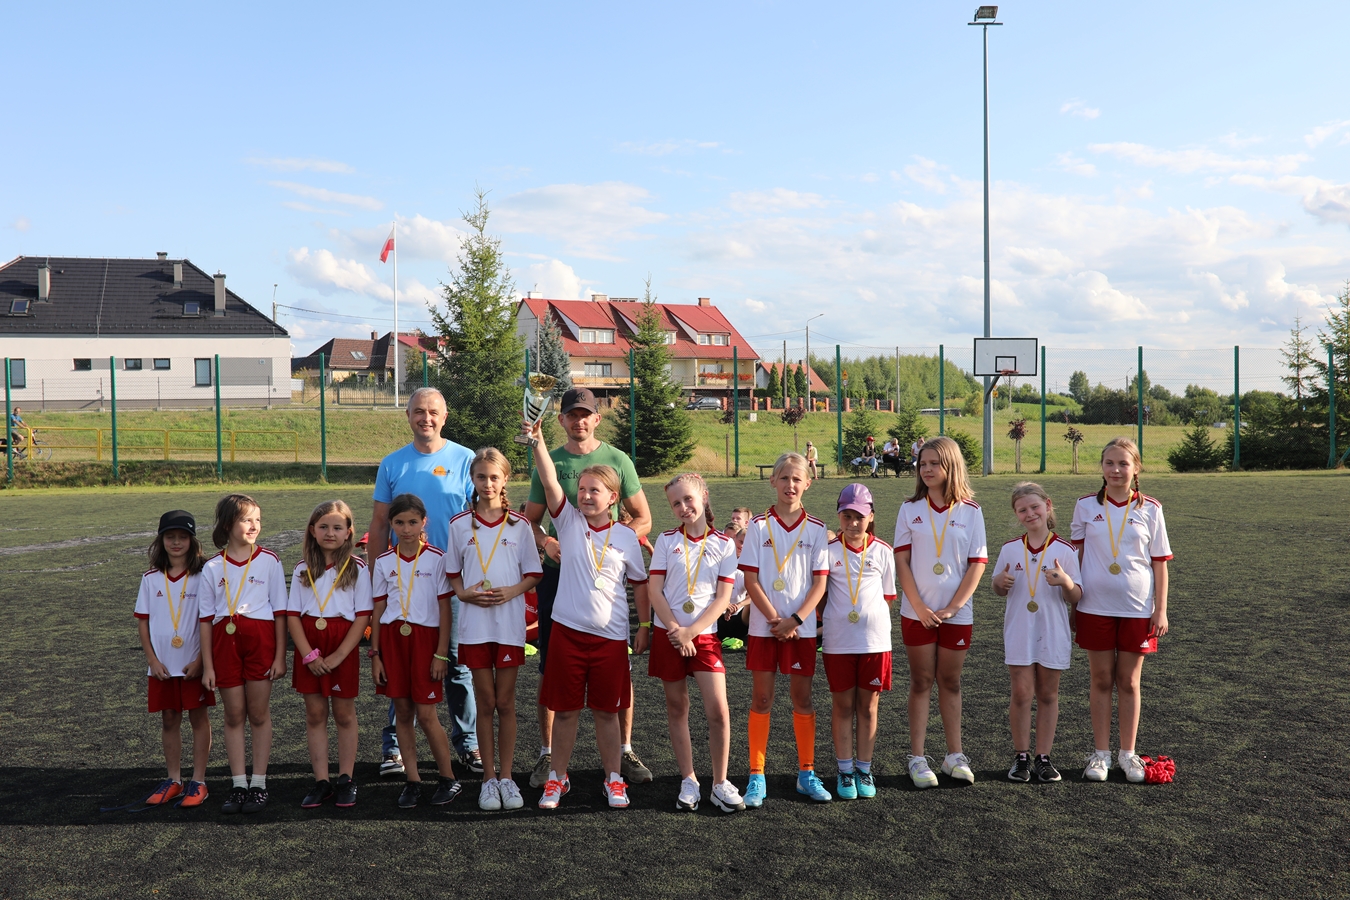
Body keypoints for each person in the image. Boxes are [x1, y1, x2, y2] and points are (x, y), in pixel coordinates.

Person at [523, 387, 654, 790]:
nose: (579, 420)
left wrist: (613, 542)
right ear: (561, 419)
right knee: (552, 670)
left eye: (586, 414)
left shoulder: (618, 460)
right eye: (571, 414)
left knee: (614, 681)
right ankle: (548, 756)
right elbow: (533, 516)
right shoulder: (556, 475)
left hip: (606, 585)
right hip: (560, 580)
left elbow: (643, 519)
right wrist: (548, 542)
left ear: (596, 418)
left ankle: (623, 753)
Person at [367, 388, 479, 778]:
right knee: (399, 662)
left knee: (457, 665)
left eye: (433, 411)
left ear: (445, 417)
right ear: (408, 416)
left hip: (453, 582)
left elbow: (480, 517)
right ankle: (394, 748)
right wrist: (375, 579)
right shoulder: (392, 463)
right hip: (404, 582)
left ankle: (467, 743)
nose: (425, 418)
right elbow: (379, 523)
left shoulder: (465, 459)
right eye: (418, 411)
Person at [446, 448, 543, 811]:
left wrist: (513, 591)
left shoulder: (519, 525)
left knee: (506, 702)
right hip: (474, 626)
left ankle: (507, 777)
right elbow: (453, 573)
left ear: (505, 480)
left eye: (494, 477)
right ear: (472, 480)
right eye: (481, 477)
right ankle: (488, 779)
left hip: (508, 626)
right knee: (485, 702)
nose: (487, 484)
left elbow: (534, 573)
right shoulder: (459, 525)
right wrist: (463, 594)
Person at [1071, 438, 1172, 784]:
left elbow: (1159, 564)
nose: (1115, 470)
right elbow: (1076, 557)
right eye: (1109, 463)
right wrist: (1074, 604)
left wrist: (1161, 609)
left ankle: (1127, 755)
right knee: (1100, 679)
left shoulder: (1151, 508)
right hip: (1094, 606)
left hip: (1137, 609)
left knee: (1128, 681)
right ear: (1102, 467)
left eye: (1123, 463)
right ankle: (1100, 754)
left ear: (1136, 468)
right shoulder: (1085, 506)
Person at [738, 451, 832, 807]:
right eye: (784, 478)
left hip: (800, 630)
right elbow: (750, 579)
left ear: (808, 483)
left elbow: (820, 584)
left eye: (797, 479)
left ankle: (806, 773)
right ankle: (756, 775)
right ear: (772, 481)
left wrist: (796, 620)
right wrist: (776, 619)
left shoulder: (817, 529)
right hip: (764, 628)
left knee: (802, 699)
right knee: (762, 699)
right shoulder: (758, 526)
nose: (790, 484)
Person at [647, 473, 745, 813]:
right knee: (677, 708)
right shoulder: (665, 540)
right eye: (676, 503)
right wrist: (676, 630)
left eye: (688, 498)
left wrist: (691, 632)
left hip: (703, 636)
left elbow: (723, 598)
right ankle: (689, 780)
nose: (683, 507)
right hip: (669, 635)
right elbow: (654, 591)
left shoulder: (724, 544)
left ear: (703, 495)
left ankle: (720, 783)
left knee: (718, 710)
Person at [893, 436, 987, 789]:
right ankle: (917, 758)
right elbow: (901, 561)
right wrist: (919, 607)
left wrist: (953, 607)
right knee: (921, 681)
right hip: (917, 612)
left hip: (956, 614)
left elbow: (977, 563)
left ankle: (954, 756)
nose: (927, 469)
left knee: (950, 681)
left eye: (935, 463)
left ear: (951, 466)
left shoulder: (971, 511)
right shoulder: (909, 509)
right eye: (923, 464)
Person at [371, 494, 462, 808]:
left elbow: (445, 610)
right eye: (399, 523)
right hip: (393, 641)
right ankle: (412, 780)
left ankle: (448, 778)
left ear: (424, 522)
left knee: (426, 714)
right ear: (391, 524)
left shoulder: (437, 558)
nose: (406, 529)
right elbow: (378, 609)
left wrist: (441, 653)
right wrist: (375, 654)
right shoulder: (384, 561)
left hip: (426, 641)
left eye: (412, 522)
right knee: (403, 712)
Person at [199, 493, 287, 814]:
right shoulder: (212, 567)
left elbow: (280, 612)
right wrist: (208, 666)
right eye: (246, 519)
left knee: (259, 714)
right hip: (224, 645)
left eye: (257, 519)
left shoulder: (270, 561)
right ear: (227, 524)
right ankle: (238, 784)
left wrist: (280, 656)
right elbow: (205, 620)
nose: (254, 526)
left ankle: (259, 783)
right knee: (234, 714)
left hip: (260, 642)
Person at [991, 483, 1081, 783]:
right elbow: (997, 586)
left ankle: (1043, 757)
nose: (1030, 514)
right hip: (1020, 629)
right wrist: (998, 583)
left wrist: (1066, 582)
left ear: (1048, 506)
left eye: (1034, 507)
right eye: (1022, 510)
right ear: (1016, 514)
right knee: (1021, 693)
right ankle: (1021, 757)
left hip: (1052, 631)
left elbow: (1076, 596)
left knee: (1048, 694)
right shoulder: (1010, 548)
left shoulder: (1065, 550)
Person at [287, 500, 372, 809]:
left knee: (344, 714)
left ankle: (346, 778)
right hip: (309, 646)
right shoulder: (301, 568)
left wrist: (338, 656)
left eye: (337, 527)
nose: (330, 533)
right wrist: (308, 655)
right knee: (315, 714)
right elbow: (292, 616)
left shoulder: (358, 568)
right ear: (312, 530)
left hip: (342, 645)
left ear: (349, 532)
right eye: (323, 527)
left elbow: (363, 617)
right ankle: (321, 781)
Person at [135, 510, 213, 808]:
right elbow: (143, 623)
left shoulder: (203, 576)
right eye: (170, 537)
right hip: (163, 667)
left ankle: (199, 781)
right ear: (161, 540)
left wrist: (202, 661)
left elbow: (210, 621)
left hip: (194, 664)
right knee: (169, 718)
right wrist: (152, 661)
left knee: (198, 717)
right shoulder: (151, 578)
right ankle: (174, 779)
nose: (176, 542)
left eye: (183, 537)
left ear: (193, 541)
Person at [822, 484, 895, 800]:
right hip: (838, 642)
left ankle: (864, 769)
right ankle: (844, 770)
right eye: (846, 516)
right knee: (842, 706)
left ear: (871, 517)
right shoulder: (827, 551)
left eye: (859, 517)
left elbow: (888, 596)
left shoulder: (883, 551)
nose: (852, 523)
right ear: (839, 516)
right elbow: (820, 595)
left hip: (874, 643)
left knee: (868, 707)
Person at [717, 522, 751, 650]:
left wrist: (739, 605)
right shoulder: (715, 566)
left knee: (757, 601)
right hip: (716, 617)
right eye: (740, 542)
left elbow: (755, 594)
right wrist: (724, 605)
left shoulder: (740, 572)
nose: (742, 546)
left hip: (738, 619)